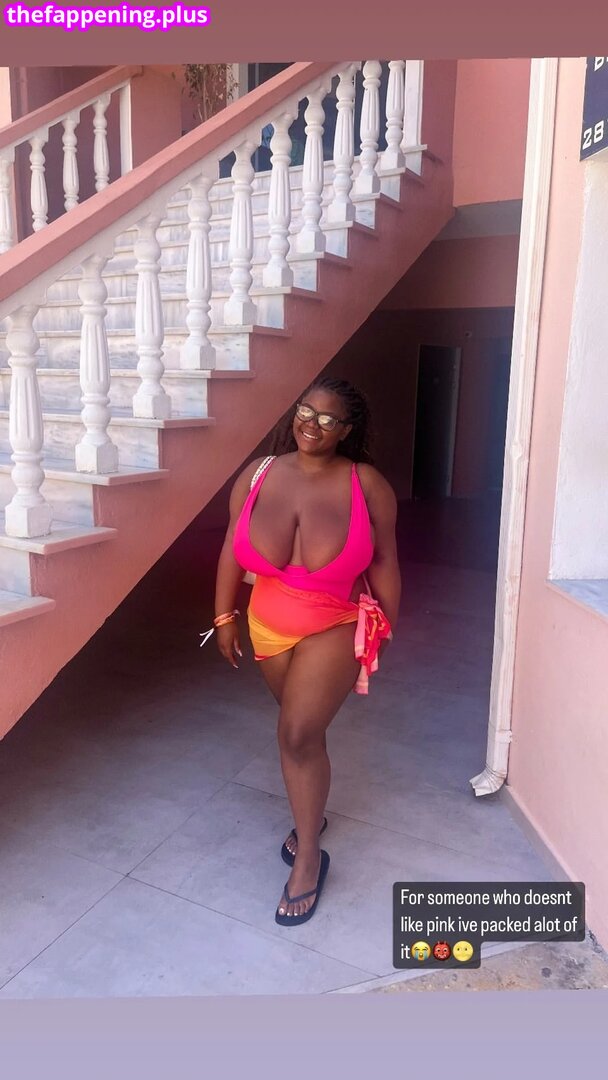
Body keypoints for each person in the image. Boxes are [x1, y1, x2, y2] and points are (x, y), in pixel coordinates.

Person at [211, 376, 401, 925]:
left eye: (327, 419)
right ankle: (310, 815)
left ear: (347, 429)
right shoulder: (260, 472)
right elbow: (231, 547)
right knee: (304, 736)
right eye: (305, 411)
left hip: (336, 622)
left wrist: (386, 627)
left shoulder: (365, 484)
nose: (311, 425)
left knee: (295, 734)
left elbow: (384, 560)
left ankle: (309, 859)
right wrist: (223, 617)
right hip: (267, 625)